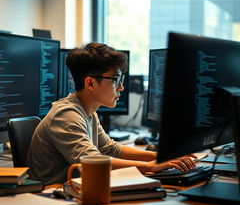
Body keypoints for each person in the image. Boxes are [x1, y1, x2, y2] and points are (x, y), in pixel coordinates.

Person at [27, 43, 196, 185]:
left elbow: (110, 149)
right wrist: (152, 166)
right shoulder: (66, 115)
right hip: (55, 197)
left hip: (79, 190)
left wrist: (160, 157)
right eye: (116, 80)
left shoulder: (87, 111)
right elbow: (93, 162)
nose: (121, 87)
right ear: (91, 83)